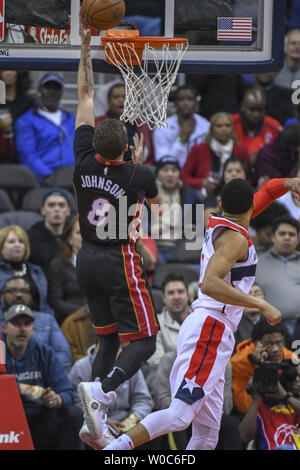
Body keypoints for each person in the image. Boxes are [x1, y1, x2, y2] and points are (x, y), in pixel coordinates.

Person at [101, 175, 300, 451]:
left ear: (221, 204)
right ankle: (115, 450)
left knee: (207, 435)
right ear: (249, 210)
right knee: (180, 415)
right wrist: (261, 304)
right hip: (211, 328)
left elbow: (266, 190)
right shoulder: (235, 240)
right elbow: (209, 282)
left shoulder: (223, 220)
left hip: (210, 328)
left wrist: (289, 183)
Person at [73, 18, 162, 448]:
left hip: (85, 259)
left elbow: (87, 94)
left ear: (92, 144)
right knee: (146, 339)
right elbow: (156, 205)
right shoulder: (139, 172)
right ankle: (103, 391)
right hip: (116, 258)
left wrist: (86, 48)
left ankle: (93, 420)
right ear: (127, 148)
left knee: (108, 338)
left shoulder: (81, 159)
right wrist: (139, 164)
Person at [2, 304, 84, 450]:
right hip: (6, 418)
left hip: (39, 419)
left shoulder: (45, 353)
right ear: (5, 328)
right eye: (16, 323)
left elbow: (67, 393)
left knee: (74, 414)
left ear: (33, 328)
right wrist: (21, 387)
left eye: (27, 324)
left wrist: (56, 399)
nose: (22, 328)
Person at [69, 341, 153, 449]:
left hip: (126, 422)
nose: (115, 353)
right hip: (93, 423)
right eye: (109, 348)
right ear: (97, 348)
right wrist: (103, 422)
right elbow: (76, 404)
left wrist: (133, 419)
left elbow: (143, 399)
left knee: (151, 427)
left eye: (117, 349)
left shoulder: (130, 365)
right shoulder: (81, 367)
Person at [14, 72, 75, 185]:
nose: (52, 92)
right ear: (40, 90)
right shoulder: (26, 120)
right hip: (43, 180)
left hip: (72, 178)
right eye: (48, 88)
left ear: (62, 92)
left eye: (56, 88)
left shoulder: (71, 119)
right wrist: (47, 175)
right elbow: (26, 154)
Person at [0, 276, 72, 368]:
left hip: (44, 377)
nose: (19, 295)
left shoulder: (47, 320)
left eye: (24, 291)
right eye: (12, 290)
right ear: (2, 297)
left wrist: (40, 370)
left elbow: (64, 355)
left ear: (30, 297)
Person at [181, 112, 250, 195]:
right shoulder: (198, 149)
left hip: (236, 195)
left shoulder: (241, 150)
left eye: (227, 125)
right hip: (203, 197)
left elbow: (249, 178)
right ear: (211, 130)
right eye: (219, 126)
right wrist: (201, 182)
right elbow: (184, 176)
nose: (224, 129)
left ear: (233, 129)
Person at [151, 155, 201, 263]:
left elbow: (198, 226)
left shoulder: (190, 195)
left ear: (179, 174)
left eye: (174, 170)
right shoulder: (148, 194)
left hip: (181, 247)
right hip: (154, 246)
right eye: (165, 170)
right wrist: (151, 228)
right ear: (157, 175)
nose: (170, 174)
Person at [255, 215, 300, 335]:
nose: (287, 238)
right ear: (273, 237)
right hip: (268, 328)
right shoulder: (257, 263)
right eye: (282, 234)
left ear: (298, 239)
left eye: (291, 234)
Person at [95, 83, 154, 165]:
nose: (121, 100)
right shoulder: (99, 123)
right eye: (116, 97)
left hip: (136, 168)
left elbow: (149, 155)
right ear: (108, 101)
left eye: (125, 97)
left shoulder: (139, 124)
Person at [0, 224, 53, 315]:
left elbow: (45, 304)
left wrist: (48, 321)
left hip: (38, 322)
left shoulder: (37, 271)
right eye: (11, 242)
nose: (17, 245)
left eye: (21, 241)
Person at [153, 85, 210, 167]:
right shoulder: (163, 127)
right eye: (181, 99)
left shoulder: (206, 125)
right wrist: (182, 138)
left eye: (190, 99)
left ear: (196, 102)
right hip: (172, 174)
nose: (186, 103)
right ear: (175, 103)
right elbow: (163, 161)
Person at [47, 214, 86, 325]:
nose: (83, 237)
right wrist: (83, 312)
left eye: (87, 233)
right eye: (78, 233)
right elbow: (55, 301)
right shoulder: (58, 264)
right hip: (70, 319)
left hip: (100, 317)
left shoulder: (102, 263)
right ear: (69, 238)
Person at [147, 273, 191, 367]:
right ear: (164, 298)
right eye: (171, 293)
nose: (176, 297)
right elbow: (156, 362)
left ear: (188, 295)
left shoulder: (201, 320)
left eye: (180, 292)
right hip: (168, 378)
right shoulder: (155, 324)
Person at [27, 187, 72, 272]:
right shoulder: (30, 238)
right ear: (43, 210)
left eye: (61, 205)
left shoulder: (76, 235)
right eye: (51, 205)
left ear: (68, 211)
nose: (56, 209)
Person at [231, 88, 282, 158]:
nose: (256, 114)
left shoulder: (274, 127)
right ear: (242, 107)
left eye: (260, 110)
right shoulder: (230, 123)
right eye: (252, 110)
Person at [0, 70, 34, 164]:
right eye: (4, 70)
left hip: (23, 155)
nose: (8, 73)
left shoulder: (28, 102)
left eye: (12, 69)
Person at [203, 157, 249, 225]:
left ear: (245, 175)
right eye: (229, 171)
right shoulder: (215, 194)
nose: (233, 174)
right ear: (223, 175)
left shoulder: (252, 195)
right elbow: (208, 219)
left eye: (238, 171)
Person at [234, 282, 264, 351]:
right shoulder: (233, 325)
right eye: (248, 294)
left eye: (257, 293)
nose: (252, 296)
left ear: (264, 299)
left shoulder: (273, 322)